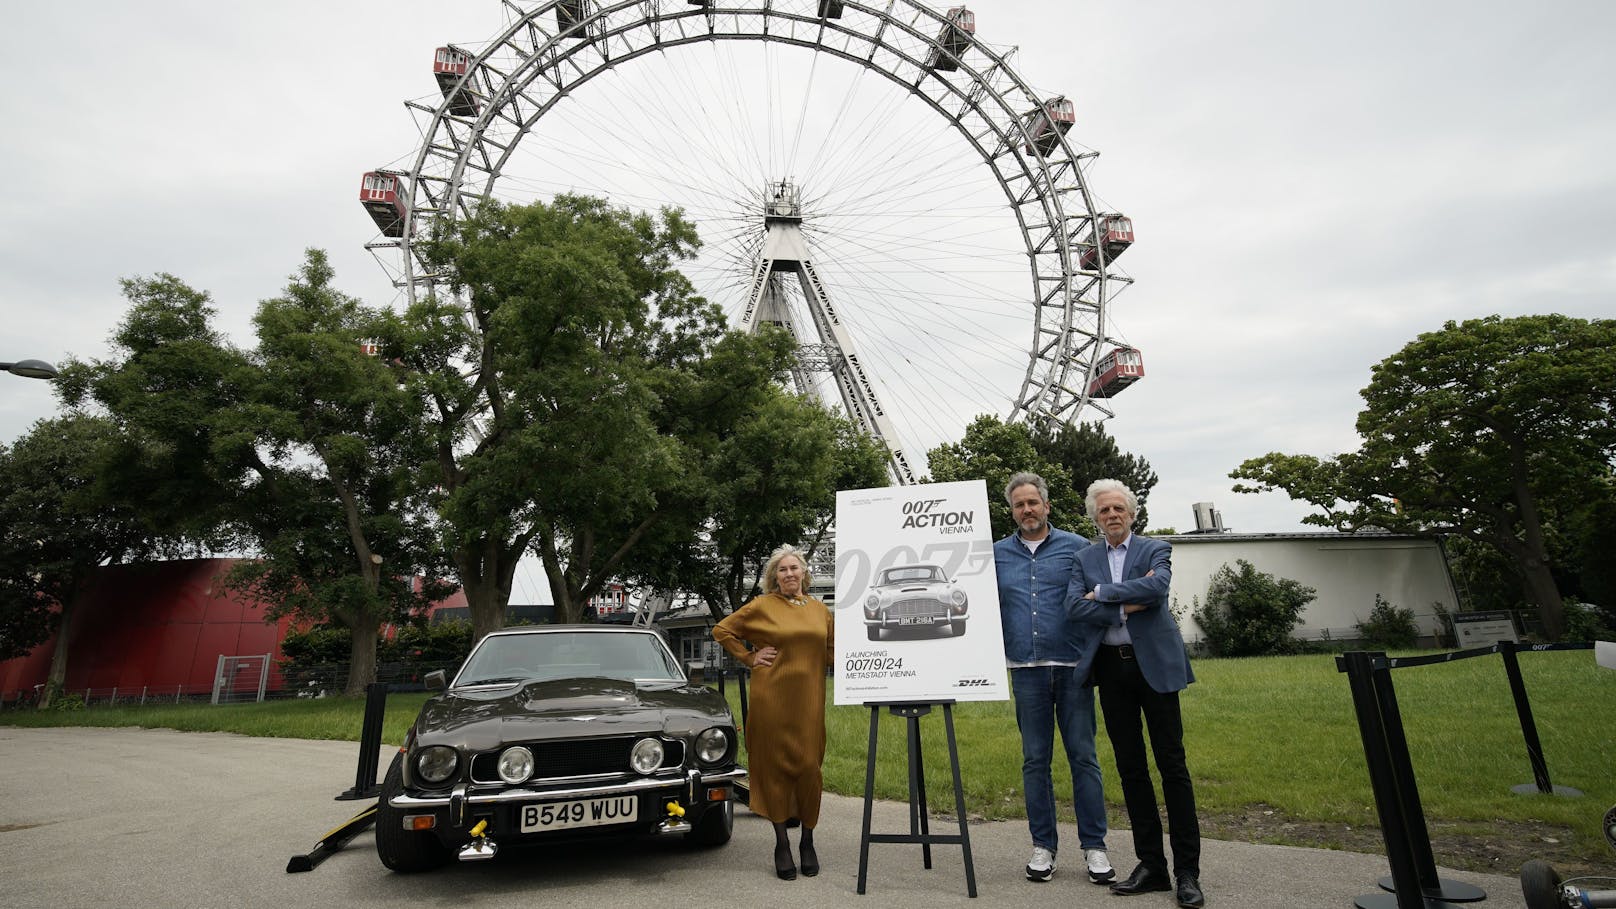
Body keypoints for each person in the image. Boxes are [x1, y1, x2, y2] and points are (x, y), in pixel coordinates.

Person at [1066, 478, 1204, 908]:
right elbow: (1074, 607)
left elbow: (1157, 589)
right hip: (1112, 669)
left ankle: (1187, 872)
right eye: (1103, 510)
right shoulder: (1083, 557)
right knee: (1131, 768)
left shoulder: (1155, 549)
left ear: (1131, 513)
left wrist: (1104, 593)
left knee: (1172, 767)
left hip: (1155, 669)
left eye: (1118, 509)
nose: (1111, 515)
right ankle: (1152, 866)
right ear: (1095, 516)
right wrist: (1129, 602)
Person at [992, 472, 1114, 885]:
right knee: (1034, 761)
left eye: (1032, 502)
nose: (1026, 510)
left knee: (1083, 757)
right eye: (1018, 504)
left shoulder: (1078, 549)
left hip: (1072, 667)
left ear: (1046, 505)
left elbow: (1101, 600)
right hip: (1025, 670)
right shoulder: (994, 556)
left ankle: (1095, 847)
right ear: (1012, 511)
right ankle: (1043, 846)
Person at [712, 544, 832, 881]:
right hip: (771, 700)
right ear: (773, 577)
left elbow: (833, 651)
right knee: (776, 769)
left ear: (804, 573)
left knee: (810, 767)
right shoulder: (762, 607)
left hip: (808, 703)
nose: (790, 574)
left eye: (795, 568)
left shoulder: (820, 611)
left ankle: (807, 840)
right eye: (783, 569)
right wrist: (750, 657)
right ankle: (782, 843)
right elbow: (722, 630)